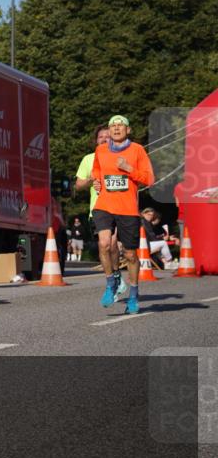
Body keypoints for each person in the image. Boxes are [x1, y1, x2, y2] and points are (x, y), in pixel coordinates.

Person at [91, 114, 154, 314]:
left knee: (130, 255)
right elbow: (96, 170)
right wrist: (96, 181)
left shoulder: (137, 150)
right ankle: (111, 284)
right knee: (104, 243)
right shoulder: (100, 150)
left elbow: (149, 179)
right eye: (113, 126)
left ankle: (134, 296)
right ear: (109, 131)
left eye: (121, 125)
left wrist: (129, 169)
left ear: (128, 130)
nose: (116, 128)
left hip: (127, 208)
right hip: (104, 205)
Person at [75, 124, 127, 296]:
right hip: (98, 209)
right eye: (101, 137)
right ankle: (111, 280)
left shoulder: (122, 157)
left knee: (113, 245)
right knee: (104, 245)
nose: (104, 139)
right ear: (95, 141)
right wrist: (91, 179)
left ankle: (116, 274)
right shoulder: (88, 159)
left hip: (119, 207)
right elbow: (78, 185)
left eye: (108, 136)